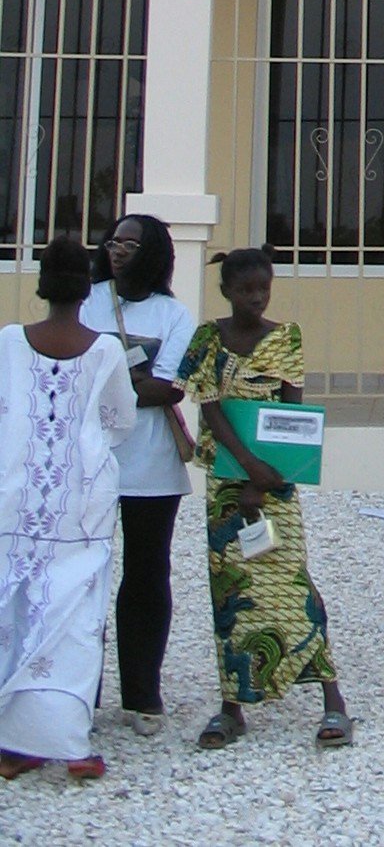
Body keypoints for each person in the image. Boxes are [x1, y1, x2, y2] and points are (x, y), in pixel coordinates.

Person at [179, 245, 351, 749]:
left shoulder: (286, 339)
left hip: (274, 483)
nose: (256, 298)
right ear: (227, 290)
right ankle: (232, 706)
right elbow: (209, 410)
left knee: (292, 584)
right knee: (232, 593)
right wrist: (244, 469)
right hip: (227, 485)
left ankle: (333, 700)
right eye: (246, 290)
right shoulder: (208, 339)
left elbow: (292, 415)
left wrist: (263, 477)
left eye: (264, 289)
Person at [0, 235, 136, 781]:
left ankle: (13, 743)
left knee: (14, 612)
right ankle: (68, 743)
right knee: (75, 620)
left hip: (13, 497)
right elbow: (120, 420)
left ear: (41, 287)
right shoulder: (104, 348)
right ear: (87, 290)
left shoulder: (9, 341)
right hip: (80, 506)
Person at [81, 213, 195, 735]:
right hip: (88, 463)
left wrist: (108, 383)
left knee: (147, 575)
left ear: (153, 251)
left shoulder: (175, 315)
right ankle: (80, 691)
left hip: (151, 466)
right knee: (83, 578)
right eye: (113, 240)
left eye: (130, 242)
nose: (117, 249)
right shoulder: (88, 301)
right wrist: (132, 383)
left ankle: (142, 694)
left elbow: (167, 389)